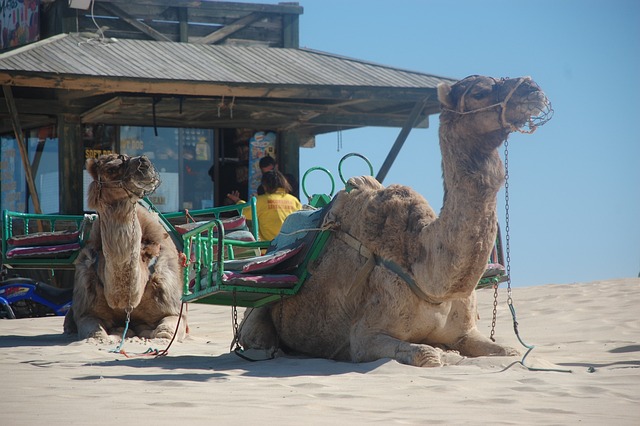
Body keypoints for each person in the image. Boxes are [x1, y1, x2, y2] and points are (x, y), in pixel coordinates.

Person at [227, 170, 302, 241]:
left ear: (265, 186)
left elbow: (245, 212)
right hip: (290, 245)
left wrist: (238, 201)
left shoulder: (261, 200)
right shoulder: (294, 200)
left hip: (269, 247)